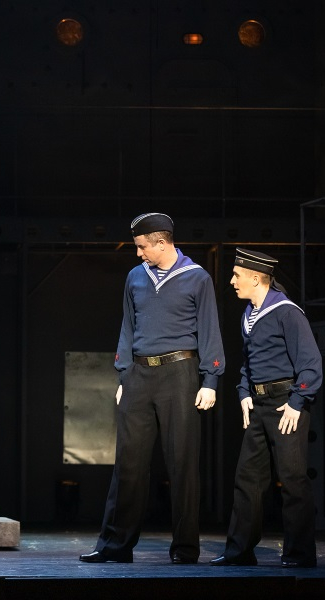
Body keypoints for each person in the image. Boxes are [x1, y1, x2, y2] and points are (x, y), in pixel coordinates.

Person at [80, 212, 225, 565]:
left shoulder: (197, 277)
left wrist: (210, 380)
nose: (138, 253)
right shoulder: (136, 276)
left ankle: (185, 548)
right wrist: (124, 375)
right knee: (128, 464)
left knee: (182, 463)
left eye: (142, 246)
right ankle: (115, 545)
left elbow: (210, 329)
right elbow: (127, 326)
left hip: (180, 373)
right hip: (139, 375)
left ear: (162, 242)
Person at [210, 248, 322, 568]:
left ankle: (299, 554)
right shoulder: (249, 314)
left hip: (285, 404)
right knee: (247, 479)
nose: (232, 281)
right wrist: (244, 392)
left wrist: (297, 403)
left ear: (256, 278)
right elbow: (249, 361)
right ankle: (239, 551)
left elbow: (311, 363)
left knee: (292, 480)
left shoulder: (287, 312)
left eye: (237, 276)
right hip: (258, 405)